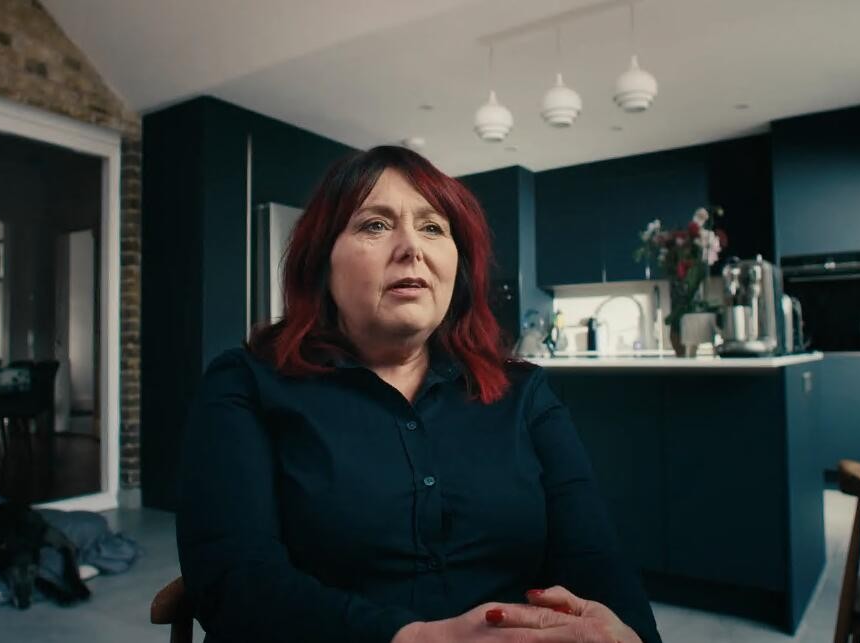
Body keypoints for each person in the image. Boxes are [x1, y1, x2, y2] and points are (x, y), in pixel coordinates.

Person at [176, 146, 662, 643]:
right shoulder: (246, 384)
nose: (412, 248)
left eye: (432, 227)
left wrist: (631, 636)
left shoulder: (524, 394)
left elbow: (596, 560)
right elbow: (235, 579)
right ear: (321, 262)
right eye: (375, 225)